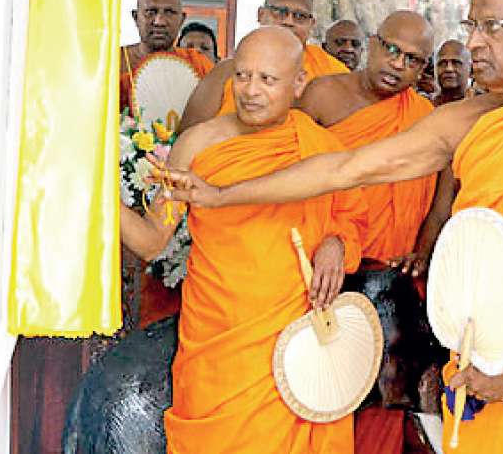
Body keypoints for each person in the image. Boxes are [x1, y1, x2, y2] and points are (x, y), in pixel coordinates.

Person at [157, 0, 503, 454]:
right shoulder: (471, 118)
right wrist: (223, 195)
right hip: (490, 356)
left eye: (493, 28)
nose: (475, 43)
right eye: (472, 26)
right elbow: (349, 169)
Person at [121, 26, 367, 453]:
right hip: (220, 339)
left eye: (268, 80)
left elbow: (351, 218)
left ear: (299, 83)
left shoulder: (320, 148)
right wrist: (95, 194)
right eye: (242, 75)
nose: (251, 91)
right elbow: (152, 240)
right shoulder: (198, 144)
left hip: (296, 336)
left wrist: (336, 243)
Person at [285, 11, 441, 454]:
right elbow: (288, 173)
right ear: (373, 42)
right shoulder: (321, 96)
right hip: (319, 271)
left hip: (388, 282)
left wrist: (423, 248)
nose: (397, 64)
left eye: (412, 59)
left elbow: (440, 193)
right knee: (314, 389)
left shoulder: (423, 117)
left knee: (381, 399)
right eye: (391, 49)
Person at [178, 0, 349, 130]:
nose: (288, 21)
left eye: (300, 16)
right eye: (280, 12)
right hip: (231, 163)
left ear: (311, 24)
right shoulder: (226, 71)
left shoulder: (333, 73)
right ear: (261, 14)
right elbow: (189, 133)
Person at [121, 0, 214, 113]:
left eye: (169, 12)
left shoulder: (198, 64)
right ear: (136, 18)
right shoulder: (113, 62)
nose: (159, 21)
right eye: (150, 12)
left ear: (182, 20)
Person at [432, 39, 472, 106]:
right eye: (443, 63)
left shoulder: (482, 105)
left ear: (470, 69)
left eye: (456, 63)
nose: (448, 69)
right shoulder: (426, 106)